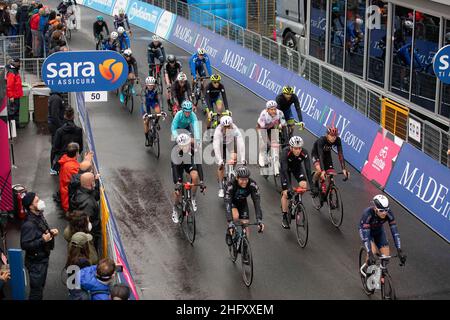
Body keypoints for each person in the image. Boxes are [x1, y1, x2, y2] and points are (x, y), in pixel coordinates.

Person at [21, 192, 59, 300]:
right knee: (36, 292)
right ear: (30, 206)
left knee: (40, 287)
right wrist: (42, 240)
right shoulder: (28, 225)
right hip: (36, 263)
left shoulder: (39, 214)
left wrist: (50, 232)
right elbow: (25, 245)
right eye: (37, 201)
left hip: (42, 258)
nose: (40, 202)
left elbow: (41, 229)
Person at [359, 195, 407, 267]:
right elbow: (366, 237)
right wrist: (370, 253)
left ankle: (381, 275)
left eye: (386, 210)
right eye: (381, 210)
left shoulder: (388, 213)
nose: (384, 213)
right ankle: (367, 270)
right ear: (375, 208)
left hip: (378, 231)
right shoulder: (367, 214)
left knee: (386, 257)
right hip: (366, 232)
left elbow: (395, 232)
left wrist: (399, 249)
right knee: (373, 252)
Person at [224, 166, 264, 248]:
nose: (244, 182)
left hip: (242, 202)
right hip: (232, 202)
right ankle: (230, 231)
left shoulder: (252, 184)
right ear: (236, 178)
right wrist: (230, 221)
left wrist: (259, 220)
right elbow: (227, 202)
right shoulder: (231, 185)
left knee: (245, 224)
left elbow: (257, 202)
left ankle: (245, 248)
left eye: (246, 179)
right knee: (235, 216)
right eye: (242, 179)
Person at [280, 136, 312, 229]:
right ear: (291, 147)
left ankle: (297, 202)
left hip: (297, 168)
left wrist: (312, 185)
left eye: (299, 148)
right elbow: (285, 171)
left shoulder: (304, 152)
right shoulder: (285, 153)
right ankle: (285, 216)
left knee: (304, 185)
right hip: (285, 170)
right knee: (286, 193)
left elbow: (308, 169)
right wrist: (289, 187)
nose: (298, 151)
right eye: (295, 148)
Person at [171, 133, 205, 220]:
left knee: (195, 175)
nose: (185, 147)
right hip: (177, 165)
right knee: (178, 191)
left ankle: (192, 197)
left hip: (188, 162)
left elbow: (199, 164)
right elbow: (174, 168)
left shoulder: (193, 148)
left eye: (186, 145)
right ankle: (174, 208)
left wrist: (201, 181)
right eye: (182, 146)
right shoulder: (175, 151)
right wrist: (177, 182)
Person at [311, 126, 349, 196]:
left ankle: (330, 191)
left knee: (330, 173)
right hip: (316, 154)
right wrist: (323, 171)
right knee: (320, 171)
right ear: (327, 135)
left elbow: (340, 154)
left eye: (335, 136)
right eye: (331, 136)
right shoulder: (321, 140)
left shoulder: (338, 140)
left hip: (327, 154)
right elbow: (320, 155)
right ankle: (314, 183)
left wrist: (343, 169)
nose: (333, 138)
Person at [213, 116, 245, 198]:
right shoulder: (218, 131)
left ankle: (231, 171)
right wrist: (220, 160)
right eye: (225, 127)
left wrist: (243, 158)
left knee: (234, 157)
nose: (227, 128)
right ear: (222, 126)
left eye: (228, 126)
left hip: (230, 144)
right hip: (221, 145)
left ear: (231, 125)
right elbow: (216, 146)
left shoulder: (235, 128)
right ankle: (220, 187)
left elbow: (240, 143)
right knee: (221, 166)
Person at [72, 172, 101, 251]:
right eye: (94, 182)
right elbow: (86, 224)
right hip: (90, 235)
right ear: (91, 184)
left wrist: (97, 181)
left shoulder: (80, 191)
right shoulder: (88, 203)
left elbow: (94, 195)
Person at [52, 107, 83, 172]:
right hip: (73, 159)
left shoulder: (59, 131)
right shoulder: (79, 130)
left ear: (64, 116)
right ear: (73, 116)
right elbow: (80, 147)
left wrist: (53, 163)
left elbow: (55, 148)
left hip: (62, 159)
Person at [256, 100, 287, 167]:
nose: (273, 111)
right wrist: (268, 142)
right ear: (267, 110)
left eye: (274, 109)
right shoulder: (263, 114)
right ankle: (261, 158)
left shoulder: (280, 113)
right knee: (265, 144)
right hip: (262, 128)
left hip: (272, 127)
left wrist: (281, 127)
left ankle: (274, 157)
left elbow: (283, 123)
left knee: (274, 142)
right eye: (271, 109)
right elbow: (263, 129)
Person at [48, 91, 65, 173]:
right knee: (56, 146)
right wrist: (61, 127)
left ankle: (55, 167)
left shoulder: (55, 97)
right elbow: (54, 115)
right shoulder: (56, 98)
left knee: (56, 146)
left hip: (54, 125)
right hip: (56, 126)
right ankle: (54, 168)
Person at [142, 76, 162, 147]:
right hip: (146, 103)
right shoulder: (144, 90)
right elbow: (144, 103)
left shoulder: (157, 89)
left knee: (158, 112)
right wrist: (145, 114)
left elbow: (160, 100)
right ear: (146, 85)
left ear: (154, 85)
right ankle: (147, 138)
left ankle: (156, 123)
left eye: (152, 85)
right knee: (146, 121)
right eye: (149, 85)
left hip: (153, 102)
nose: (150, 86)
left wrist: (161, 110)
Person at [6, 58, 23, 125]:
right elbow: (9, 85)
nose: (19, 64)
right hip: (14, 95)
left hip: (16, 95)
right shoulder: (12, 72)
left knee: (15, 111)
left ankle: (15, 125)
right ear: (16, 63)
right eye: (19, 63)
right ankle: (13, 127)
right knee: (13, 111)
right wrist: (11, 96)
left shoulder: (13, 70)